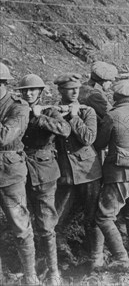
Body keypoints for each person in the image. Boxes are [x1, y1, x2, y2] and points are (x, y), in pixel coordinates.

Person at [17, 74, 71, 285]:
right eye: (24, 90)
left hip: (45, 172)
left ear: (40, 92)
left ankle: (53, 271)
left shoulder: (49, 111)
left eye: (32, 90)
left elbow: (65, 130)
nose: (28, 93)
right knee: (24, 222)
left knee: (47, 225)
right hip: (21, 172)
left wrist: (40, 117)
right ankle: (30, 270)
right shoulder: (17, 110)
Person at [95, 80, 129, 270]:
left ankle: (122, 258)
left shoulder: (113, 116)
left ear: (115, 97)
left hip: (120, 174)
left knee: (104, 217)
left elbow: (99, 143)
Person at [53, 73, 104, 271]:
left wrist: (74, 117)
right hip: (66, 173)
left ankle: (96, 256)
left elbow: (89, 138)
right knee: (58, 217)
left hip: (89, 172)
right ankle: (63, 253)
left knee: (92, 217)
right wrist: (58, 115)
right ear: (60, 91)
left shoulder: (87, 111)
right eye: (69, 89)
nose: (75, 92)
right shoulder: (54, 111)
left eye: (77, 88)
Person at [0, 63, 38, 284]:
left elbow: (5, 137)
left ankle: (30, 274)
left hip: (9, 172)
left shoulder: (19, 107)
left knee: (20, 225)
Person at [79, 61, 118, 127]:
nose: (111, 84)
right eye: (110, 81)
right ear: (103, 82)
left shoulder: (84, 85)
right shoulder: (95, 95)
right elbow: (112, 115)